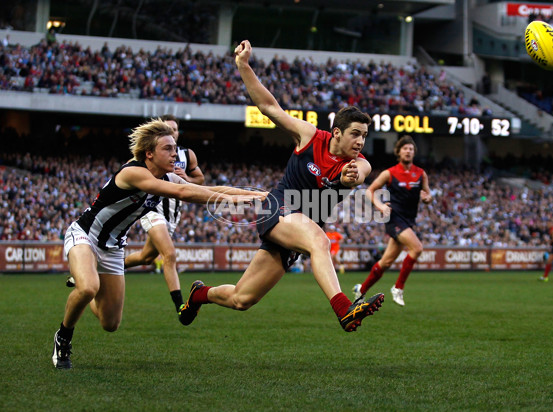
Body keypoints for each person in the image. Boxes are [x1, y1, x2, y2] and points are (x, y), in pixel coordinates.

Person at [178, 39, 384, 333]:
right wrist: (243, 65)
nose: (361, 141)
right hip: (279, 208)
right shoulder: (311, 136)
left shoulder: (359, 162)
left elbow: (360, 173)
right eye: (355, 134)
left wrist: (352, 177)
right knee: (320, 241)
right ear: (337, 132)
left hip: (299, 224)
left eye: (364, 135)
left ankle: (199, 294)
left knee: (241, 298)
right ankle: (344, 309)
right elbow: (268, 107)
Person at [52, 119, 265, 369]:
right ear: (149, 153)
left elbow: (206, 188)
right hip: (84, 235)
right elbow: (185, 194)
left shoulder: (168, 177)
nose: (175, 153)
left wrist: (255, 195)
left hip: (112, 248)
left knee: (110, 323)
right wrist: (243, 200)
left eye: (175, 147)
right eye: (167, 148)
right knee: (89, 287)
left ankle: (83, 280)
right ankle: (63, 338)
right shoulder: (134, 173)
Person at [123, 114, 205, 321]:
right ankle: (182, 308)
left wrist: (185, 179)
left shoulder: (187, 155)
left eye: (175, 129)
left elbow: (200, 180)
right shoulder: (149, 158)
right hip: (152, 209)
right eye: (167, 129)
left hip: (172, 214)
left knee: (146, 257)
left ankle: (100, 267)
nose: (172, 132)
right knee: (169, 254)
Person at [353, 135, 432, 306]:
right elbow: (370, 191)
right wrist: (380, 206)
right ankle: (398, 288)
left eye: (411, 149)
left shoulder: (420, 174)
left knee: (386, 262)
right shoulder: (389, 173)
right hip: (394, 218)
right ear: (398, 151)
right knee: (417, 248)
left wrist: (427, 199)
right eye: (405, 148)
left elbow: (428, 195)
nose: (408, 151)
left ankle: (361, 290)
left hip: (408, 220)